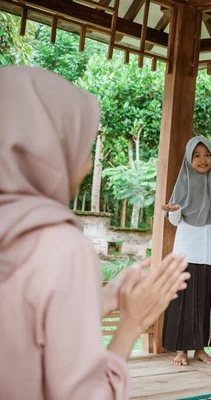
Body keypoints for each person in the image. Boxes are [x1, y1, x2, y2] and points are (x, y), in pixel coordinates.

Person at [0, 66, 191, 399]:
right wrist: (133, 322)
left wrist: (101, 300)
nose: (87, 164)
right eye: (81, 147)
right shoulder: (58, 246)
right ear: (46, 151)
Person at [161, 136, 211, 366]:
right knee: (182, 299)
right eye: (197, 155)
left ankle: (200, 349)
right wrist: (174, 210)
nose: (203, 160)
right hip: (186, 248)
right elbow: (174, 220)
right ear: (189, 159)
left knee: (203, 299)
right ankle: (181, 351)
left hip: (207, 249)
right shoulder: (183, 182)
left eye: (207, 154)